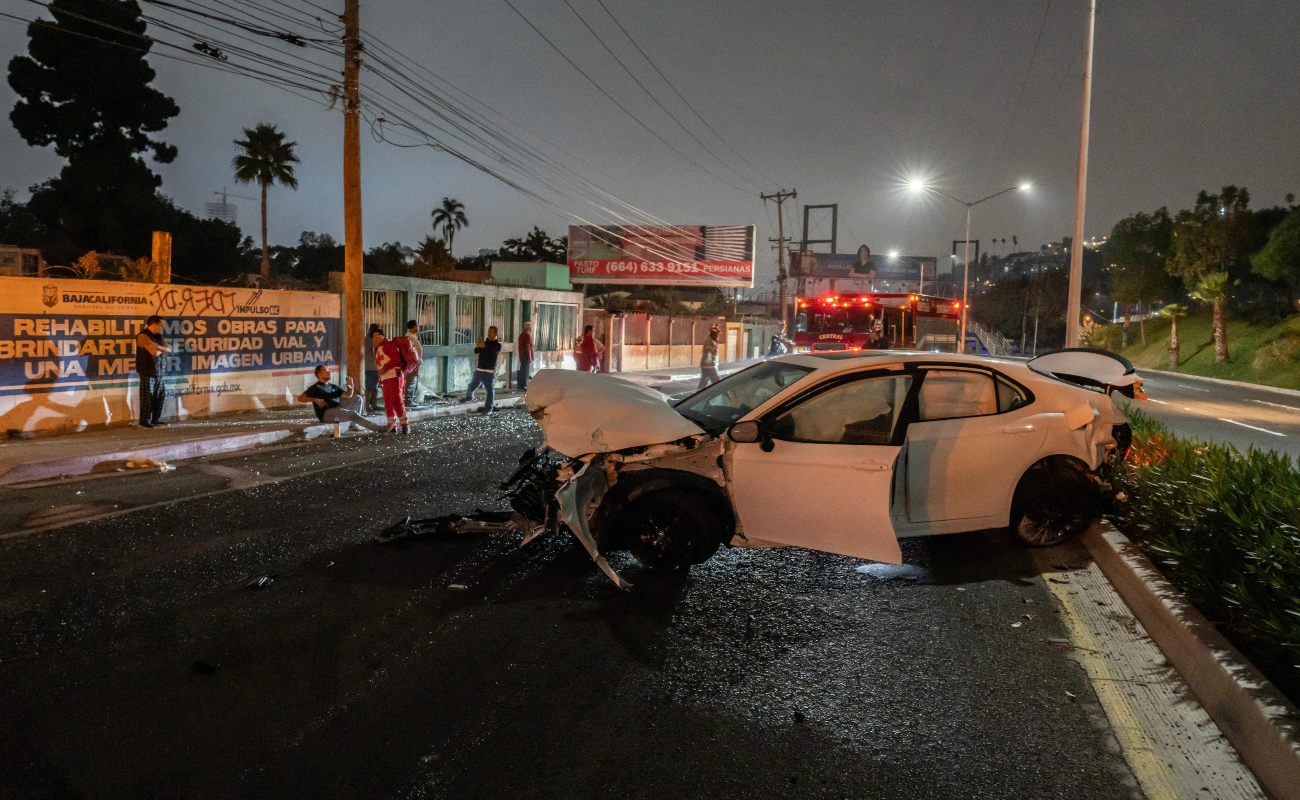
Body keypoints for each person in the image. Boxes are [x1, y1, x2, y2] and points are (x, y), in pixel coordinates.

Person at [297, 365, 393, 433]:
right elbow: (300, 398)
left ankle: (352, 426)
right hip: (327, 413)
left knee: (358, 398)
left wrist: (350, 387)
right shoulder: (315, 387)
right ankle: (379, 429)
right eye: (325, 370)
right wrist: (314, 400)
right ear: (319, 374)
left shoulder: (332, 386)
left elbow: (348, 395)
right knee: (352, 414)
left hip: (338, 408)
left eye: (328, 370)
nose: (329, 372)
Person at [370, 325, 410, 433]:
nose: (375, 338)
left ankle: (405, 425)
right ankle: (392, 425)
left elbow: (396, 359)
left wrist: (385, 368)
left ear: (383, 336)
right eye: (373, 337)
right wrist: (381, 379)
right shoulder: (376, 349)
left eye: (377, 335)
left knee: (397, 400)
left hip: (394, 375)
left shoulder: (389, 345)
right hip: (385, 378)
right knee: (388, 401)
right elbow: (379, 366)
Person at [134, 314, 171, 428]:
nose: (162, 328)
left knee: (159, 396)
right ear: (154, 324)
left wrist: (158, 347)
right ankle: (144, 420)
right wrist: (160, 349)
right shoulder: (143, 336)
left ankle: (156, 419)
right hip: (147, 371)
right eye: (161, 325)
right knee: (147, 397)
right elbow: (153, 353)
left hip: (159, 371)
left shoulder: (158, 336)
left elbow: (169, 349)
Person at [462, 325, 501, 413]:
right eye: (488, 331)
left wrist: (485, 347)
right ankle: (469, 396)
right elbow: (476, 351)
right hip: (479, 369)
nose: (489, 333)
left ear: (495, 334)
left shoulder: (497, 345)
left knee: (489, 390)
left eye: (491, 332)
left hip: (489, 371)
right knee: (472, 385)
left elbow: (493, 351)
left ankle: (488, 408)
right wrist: (478, 346)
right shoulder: (484, 343)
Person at [400, 320, 423, 406]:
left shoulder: (412, 336)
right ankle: (409, 400)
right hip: (412, 363)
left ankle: (411, 398)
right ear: (413, 327)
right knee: (411, 380)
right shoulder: (409, 337)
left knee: (413, 380)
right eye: (417, 325)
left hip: (415, 362)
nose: (418, 327)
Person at [363, 324, 380, 414]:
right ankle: (367, 406)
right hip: (369, 367)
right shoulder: (368, 340)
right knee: (369, 387)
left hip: (374, 366)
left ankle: (374, 405)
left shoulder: (369, 339)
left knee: (375, 387)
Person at [698, 325, 721, 390]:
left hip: (708, 366)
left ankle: (699, 396)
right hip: (709, 367)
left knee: (703, 383)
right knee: (718, 384)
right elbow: (708, 355)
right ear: (714, 335)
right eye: (717, 335)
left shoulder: (712, 342)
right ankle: (719, 397)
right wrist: (711, 366)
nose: (718, 336)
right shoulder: (710, 342)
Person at [516, 321, 534, 390]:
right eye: (530, 328)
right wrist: (529, 357)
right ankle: (524, 385)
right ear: (529, 328)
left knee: (521, 370)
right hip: (526, 356)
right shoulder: (527, 335)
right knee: (526, 371)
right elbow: (527, 347)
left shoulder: (521, 335)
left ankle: (520, 385)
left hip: (521, 355)